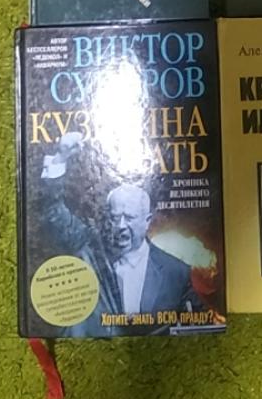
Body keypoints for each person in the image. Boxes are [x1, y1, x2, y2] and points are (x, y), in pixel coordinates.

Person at [39, 132, 202, 336]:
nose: (121, 226)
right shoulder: (90, 248)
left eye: (130, 217)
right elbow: (52, 212)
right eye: (115, 217)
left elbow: (194, 325)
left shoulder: (176, 272)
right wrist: (60, 157)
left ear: (147, 221)